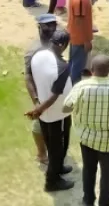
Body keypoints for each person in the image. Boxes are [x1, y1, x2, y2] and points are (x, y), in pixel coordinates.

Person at [62, 55, 109, 206]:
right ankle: (105, 202)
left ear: (91, 70)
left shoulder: (81, 87)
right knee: (108, 174)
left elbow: (65, 107)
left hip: (87, 139)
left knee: (88, 170)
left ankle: (88, 201)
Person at [25, 30, 74, 192]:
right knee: (58, 148)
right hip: (56, 115)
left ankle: (58, 167)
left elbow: (29, 77)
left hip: (47, 114)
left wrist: (37, 104)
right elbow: (54, 95)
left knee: (54, 146)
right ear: (63, 45)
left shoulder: (38, 55)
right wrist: (38, 110)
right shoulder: (62, 67)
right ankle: (52, 182)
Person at [24, 13, 58, 165]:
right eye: (47, 26)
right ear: (39, 28)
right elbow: (28, 77)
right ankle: (41, 154)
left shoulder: (56, 44)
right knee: (39, 123)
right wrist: (36, 101)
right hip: (42, 92)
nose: (51, 28)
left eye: (53, 25)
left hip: (55, 91)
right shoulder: (34, 51)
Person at [66, 0, 94, 82]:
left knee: (73, 63)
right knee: (77, 67)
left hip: (74, 35)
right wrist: (86, 41)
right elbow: (79, 21)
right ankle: (75, 90)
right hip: (80, 39)